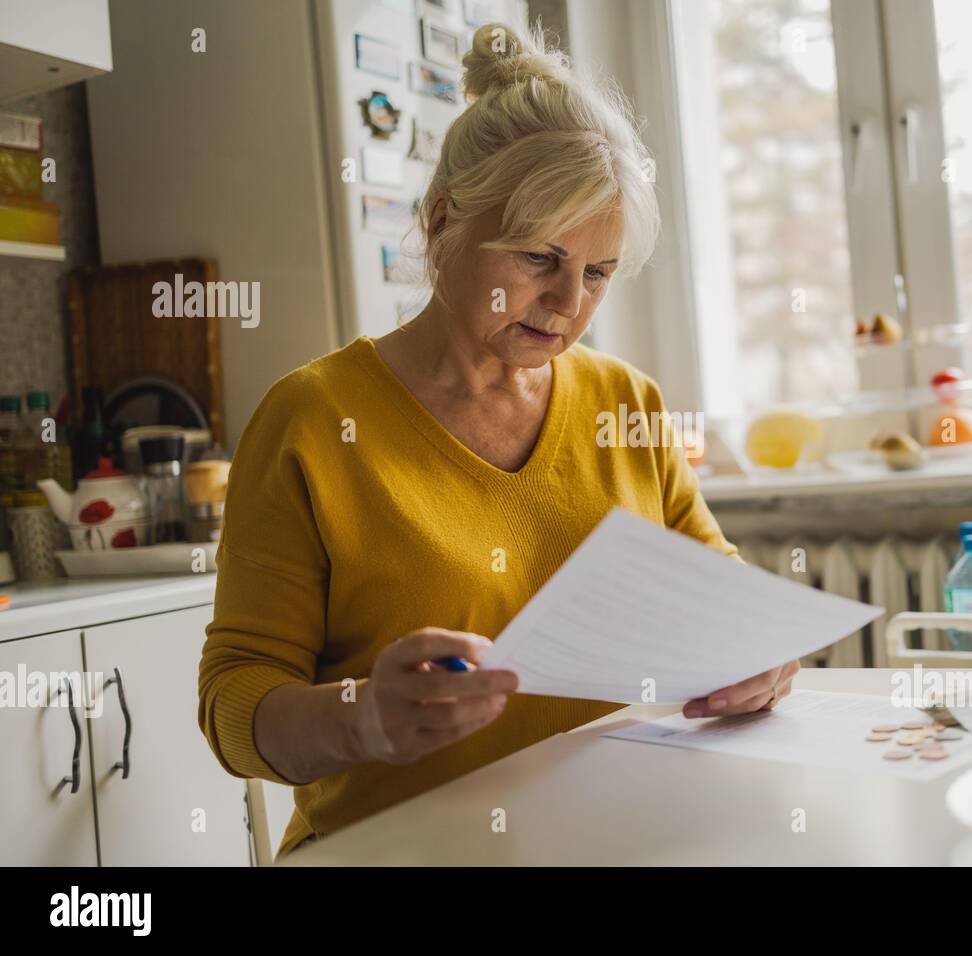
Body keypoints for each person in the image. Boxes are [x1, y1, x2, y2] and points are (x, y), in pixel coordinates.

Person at [197, 22, 798, 857]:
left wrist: (759, 656)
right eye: (538, 258)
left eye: (598, 273)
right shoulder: (311, 420)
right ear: (443, 220)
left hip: (605, 840)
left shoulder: (625, 401)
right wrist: (362, 716)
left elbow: (718, 597)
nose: (567, 304)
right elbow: (236, 704)